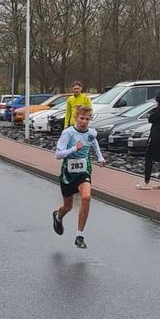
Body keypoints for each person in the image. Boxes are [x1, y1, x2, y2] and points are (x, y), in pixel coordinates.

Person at [52, 105, 106, 249]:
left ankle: (79, 236)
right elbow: (58, 154)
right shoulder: (68, 133)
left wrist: (100, 157)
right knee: (68, 207)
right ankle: (58, 216)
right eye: (82, 118)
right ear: (76, 118)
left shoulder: (91, 133)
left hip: (84, 171)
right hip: (68, 173)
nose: (84, 122)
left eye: (87, 119)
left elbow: (94, 143)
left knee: (86, 197)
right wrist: (74, 149)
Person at [138, 90, 160, 190]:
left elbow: (150, 119)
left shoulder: (158, 109)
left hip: (155, 135)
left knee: (149, 157)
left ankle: (146, 182)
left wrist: (153, 110)